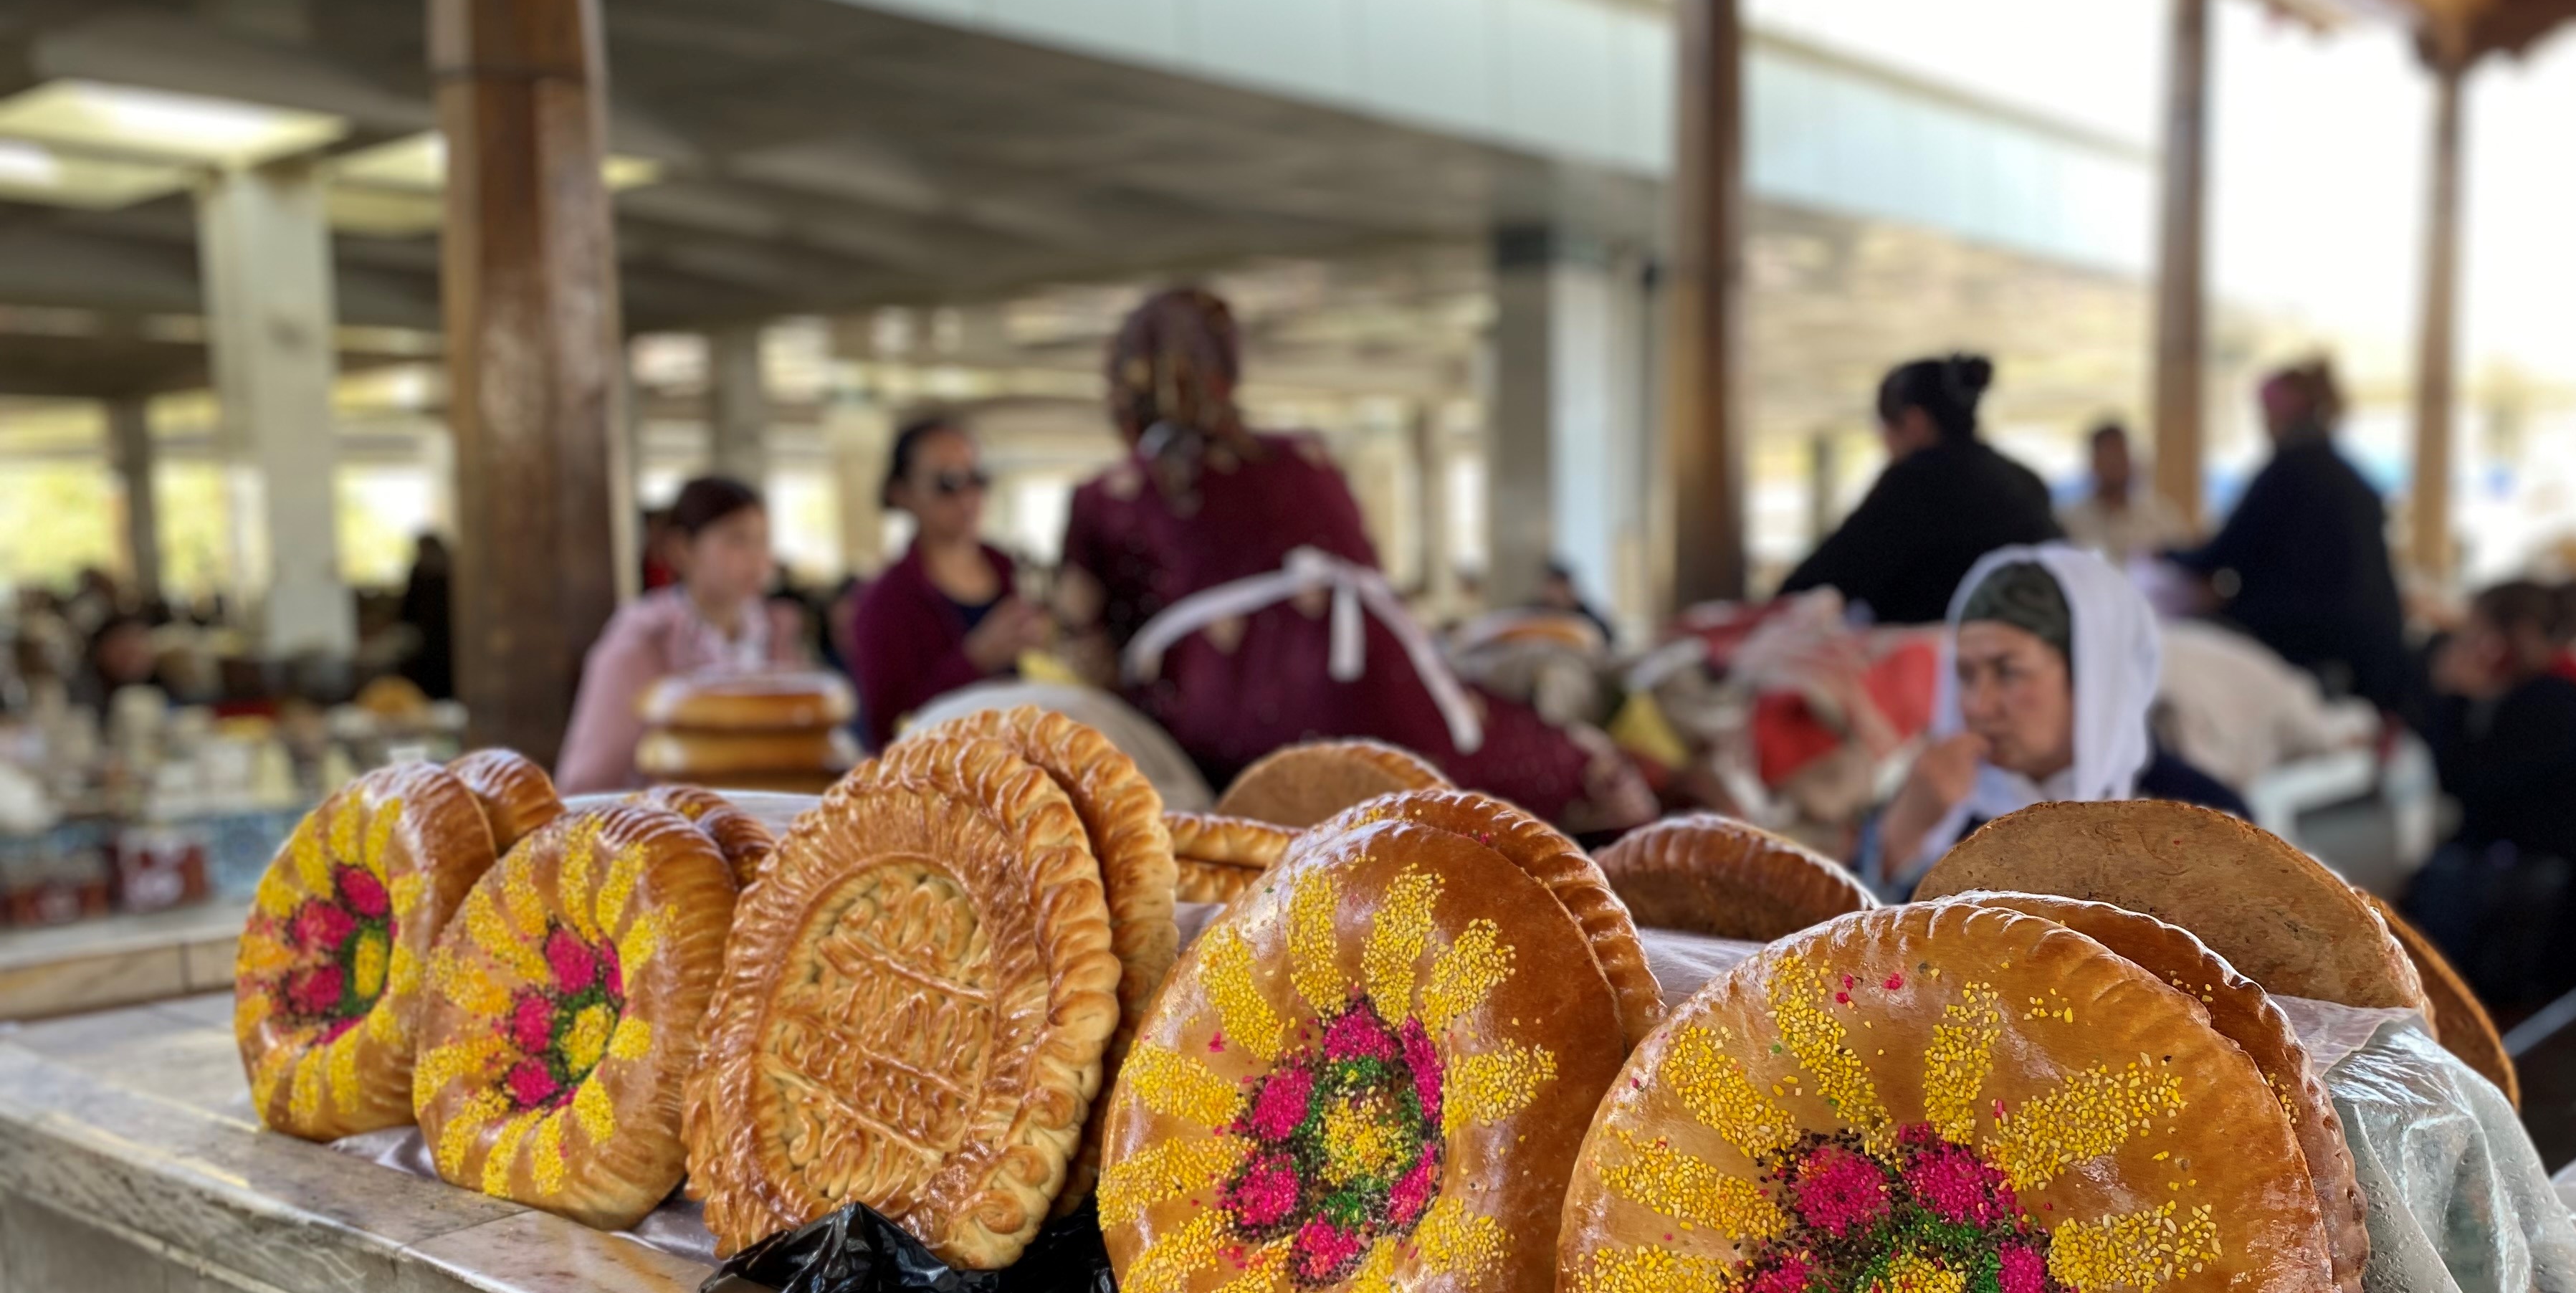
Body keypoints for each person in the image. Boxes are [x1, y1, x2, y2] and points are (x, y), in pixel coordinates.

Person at [1059, 287, 1649, 828]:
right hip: (1385, 696)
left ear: (1118, 391)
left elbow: (1086, 649)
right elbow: (1373, 576)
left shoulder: (1101, 498)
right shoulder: (1305, 458)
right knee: (1566, 759)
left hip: (1227, 723)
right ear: (1229, 374)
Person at [1860, 544, 2246, 897]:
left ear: (2094, 678)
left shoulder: (2203, 822)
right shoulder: (1941, 802)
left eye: (2008, 672)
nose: (1978, 706)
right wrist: (1901, 839)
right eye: (1965, 675)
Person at [2403, 578, 2576, 1006]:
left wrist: (2454, 699)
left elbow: (2468, 790)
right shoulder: (2566, 690)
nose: (2464, 646)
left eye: (2474, 633)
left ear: (2509, 639)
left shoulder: (2543, 705)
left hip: (2566, 922)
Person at [2171, 358, 2411, 710]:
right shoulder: (2350, 477)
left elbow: (2222, 555)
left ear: (2277, 413)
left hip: (2308, 641)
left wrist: (2165, 555)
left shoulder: (2287, 471)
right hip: (2374, 645)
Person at [554, 475, 806, 793]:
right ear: (682, 549)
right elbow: (589, 780)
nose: (757, 559)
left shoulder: (777, 634)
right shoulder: (641, 643)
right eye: (737, 540)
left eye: (763, 541)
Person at [1781, 355, 2059, 624]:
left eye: (1883, 427)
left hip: (1944, 659)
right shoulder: (2025, 479)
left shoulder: (1913, 483)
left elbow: (1824, 576)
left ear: (1914, 422)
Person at [851, 417, 1054, 743]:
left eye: (977, 479)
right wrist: (975, 660)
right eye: (948, 483)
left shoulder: (1011, 572)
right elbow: (887, 728)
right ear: (902, 493)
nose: (968, 496)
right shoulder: (886, 601)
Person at [2056, 422, 2183, 563]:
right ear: (2093, 462)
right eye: (2108, 455)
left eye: (2121, 454)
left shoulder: (2160, 514)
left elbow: (2181, 565)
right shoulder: (2070, 519)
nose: (2116, 463)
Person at [398, 530, 454, 701]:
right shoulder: (421, 571)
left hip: (444, 635)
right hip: (429, 636)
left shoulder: (448, 569)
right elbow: (408, 607)